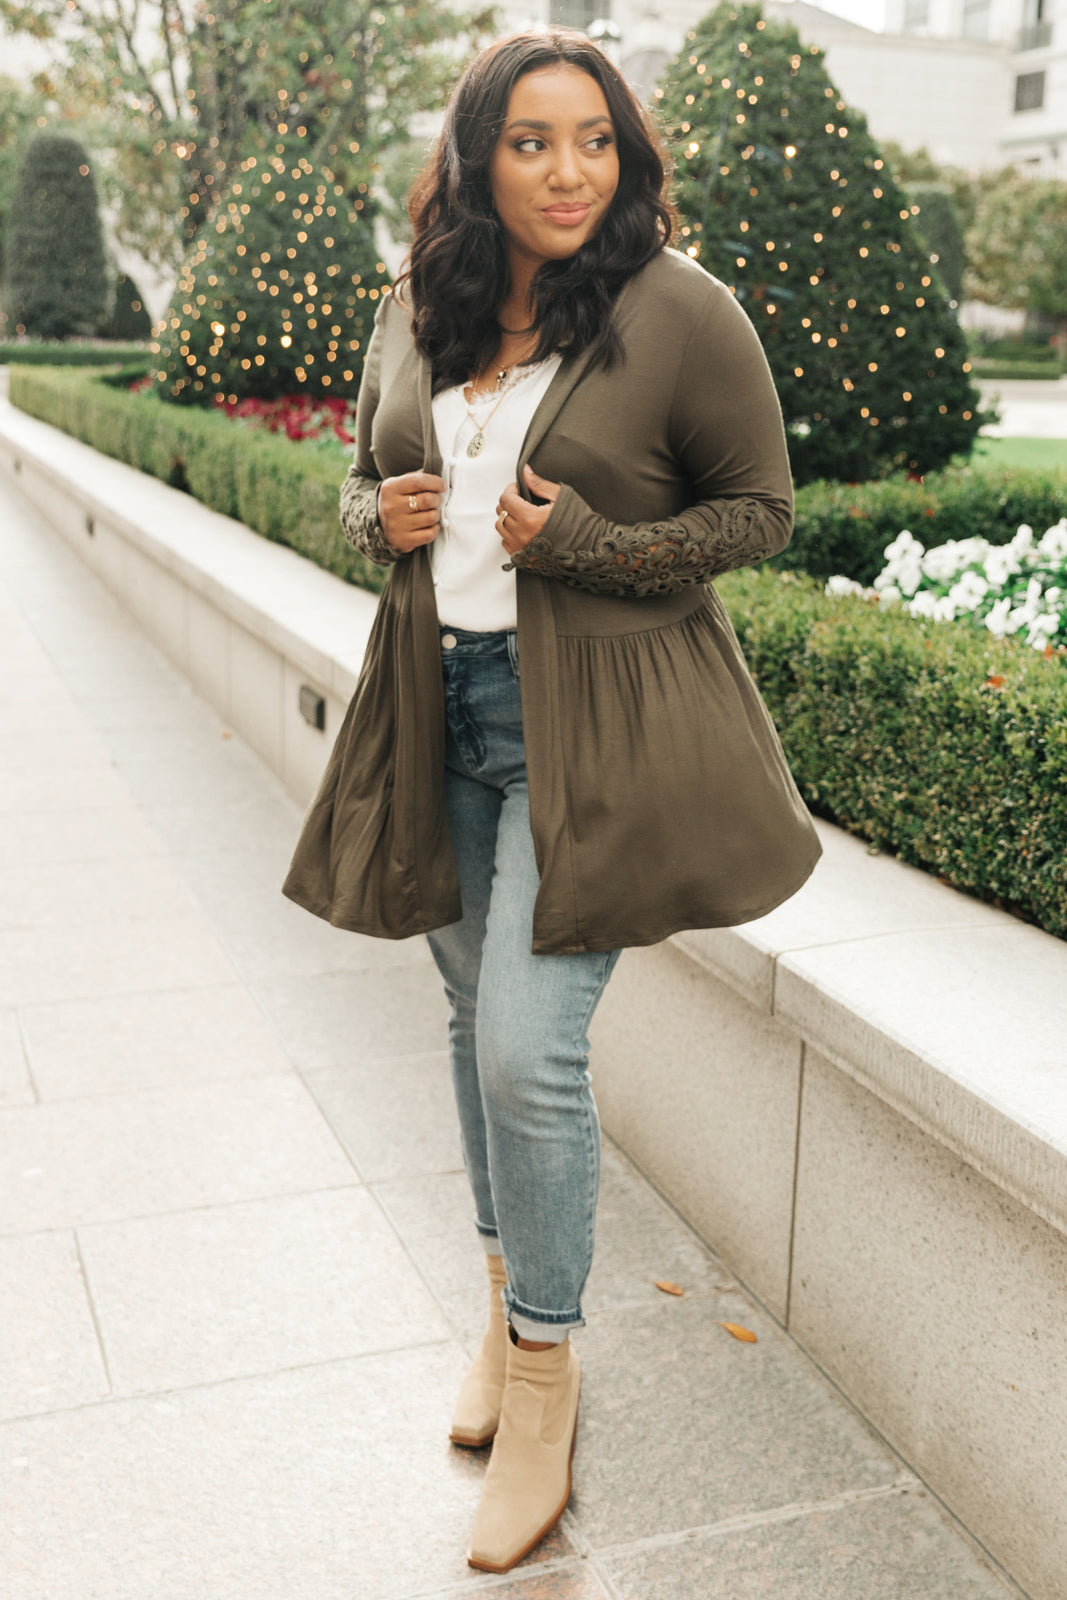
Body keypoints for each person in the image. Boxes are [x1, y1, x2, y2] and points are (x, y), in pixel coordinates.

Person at [283, 28, 821, 1574]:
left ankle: (545, 1373)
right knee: (466, 1021)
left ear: (628, 154)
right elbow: (360, 478)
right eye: (531, 142)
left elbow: (762, 513)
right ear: (477, 157)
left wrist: (584, 539)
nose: (567, 170)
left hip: (588, 735)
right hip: (437, 711)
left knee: (528, 1049)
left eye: (594, 140)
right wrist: (374, 514)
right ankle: (501, 1308)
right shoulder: (417, 307)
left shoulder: (678, 312)